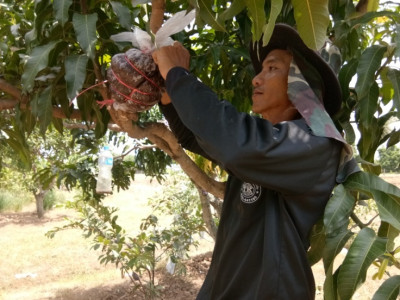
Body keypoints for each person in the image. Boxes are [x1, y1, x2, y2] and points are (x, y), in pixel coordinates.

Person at [152, 24, 354, 299]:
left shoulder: (317, 144)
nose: (256, 79)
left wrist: (177, 76)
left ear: (302, 84)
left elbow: (235, 143)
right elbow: (193, 137)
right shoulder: (269, 143)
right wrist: (168, 92)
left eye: (272, 68)